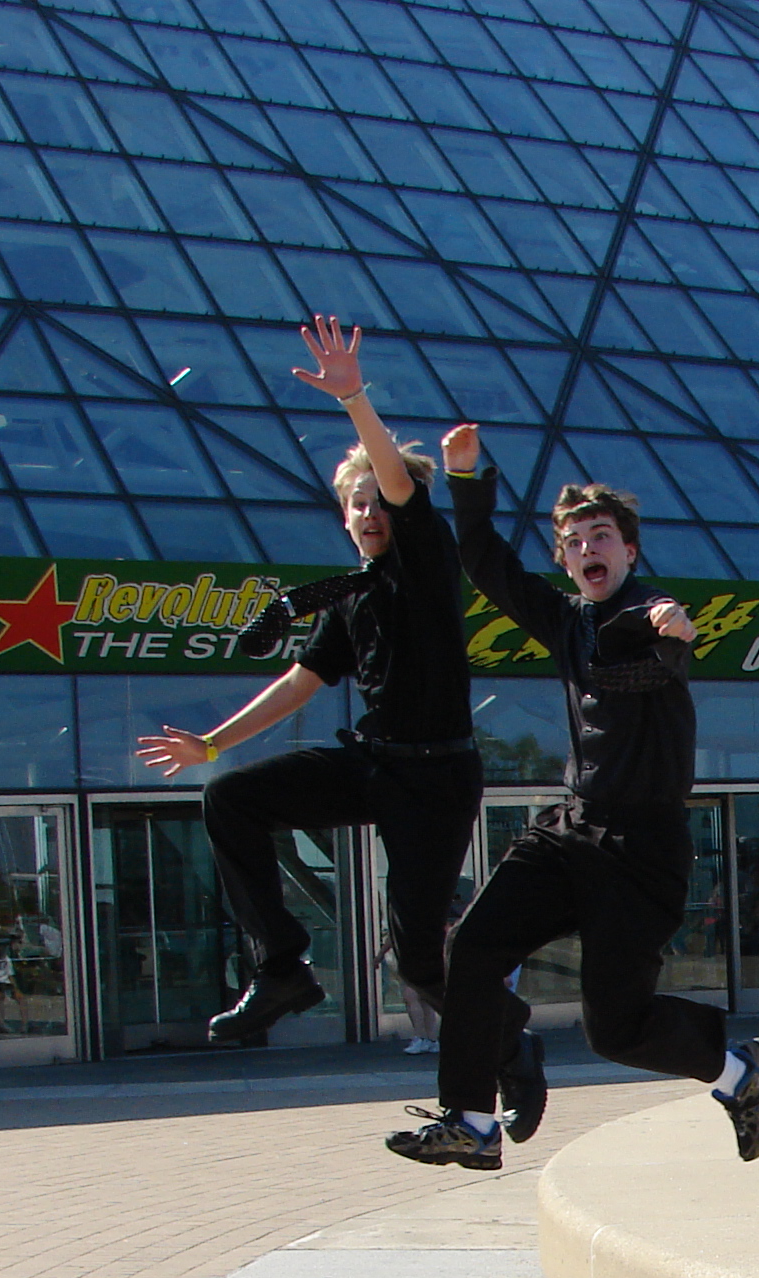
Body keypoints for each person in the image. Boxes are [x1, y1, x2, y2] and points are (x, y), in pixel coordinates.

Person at [388, 430, 759, 1168]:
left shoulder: (645, 610)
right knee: (471, 947)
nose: (588, 549)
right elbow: (482, 560)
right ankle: (471, 1119)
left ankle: (738, 1071)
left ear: (628, 551)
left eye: (602, 537)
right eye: (574, 542)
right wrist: (466, 476)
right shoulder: (566, 622)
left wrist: (673, 627)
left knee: (616, 1030)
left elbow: (662, 621)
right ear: (565, 561)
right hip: (572, 829)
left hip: (643, 850)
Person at [140, 321, 496, 1081]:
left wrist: (354, 398)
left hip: (437, 778)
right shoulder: (348, 596)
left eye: (378, 500)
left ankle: (509, 1043)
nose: (370, 513)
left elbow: (402, 493)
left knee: (421, 958)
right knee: (231, 798)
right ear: (341, 516)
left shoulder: (427, 561)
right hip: (377, 765)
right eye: (355, 504)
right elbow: (301, 682)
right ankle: (283, 968)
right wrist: (212, 744)